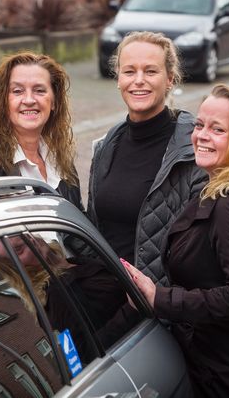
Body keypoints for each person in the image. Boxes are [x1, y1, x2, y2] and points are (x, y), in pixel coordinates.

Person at [122, 84, 229, 397]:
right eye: (200, 125)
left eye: (217, 129)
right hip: (217, 365)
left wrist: (160, 298)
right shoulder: (215, 191)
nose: (201, 135)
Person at [88, 31, 207, 284]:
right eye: (129, 71)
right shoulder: (107, 146)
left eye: (150, 71)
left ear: (170, 80)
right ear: (118, 79)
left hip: (157, 303)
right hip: (104, 290)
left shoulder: (192, 150)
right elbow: (94, 228)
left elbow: (197, 250)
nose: (138, 80)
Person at [0, 51, 83, 210]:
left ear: (54, 102)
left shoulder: (63, 165)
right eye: (17, 91)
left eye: (39, 90)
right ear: (3, 102)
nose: (29, 100)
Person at [0, 234, 132, 364]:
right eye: (19, 249)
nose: (31, 241)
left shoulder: (75, 262)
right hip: (131, 355)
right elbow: (85, 353)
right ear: (17, 268)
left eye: (26, 236)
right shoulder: (56, 297)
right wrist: (132, 308)